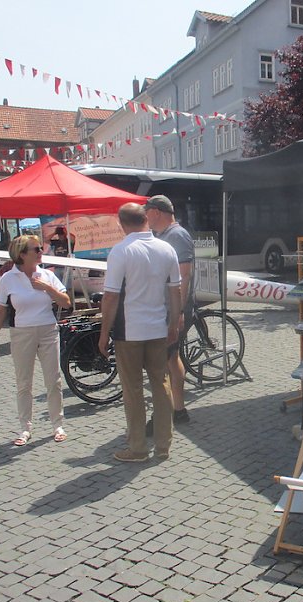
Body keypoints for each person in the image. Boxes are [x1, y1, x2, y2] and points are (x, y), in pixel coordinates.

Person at [98, 203, 182, 463]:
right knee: (161, 384)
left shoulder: (121, 251)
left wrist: (103, 333)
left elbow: (111, 297)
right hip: (158, 327)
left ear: (121, 223)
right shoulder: (167, 248)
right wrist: (174, 324)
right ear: (146, 219)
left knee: (132, 389)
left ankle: (137, 448)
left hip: (129, 329)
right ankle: (164, 444)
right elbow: (175, 290)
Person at [0, 235, 71, 446]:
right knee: (24, 382)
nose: (41, 252)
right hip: (22, 332)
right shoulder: (8, 278)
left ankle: (57, 424)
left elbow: (67, 303)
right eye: (37, 249)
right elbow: (0, 311)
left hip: (48, 330)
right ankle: (25, 428)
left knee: (54, 380)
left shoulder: (46, 275)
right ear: (22, 255)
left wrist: (47, 288)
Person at [145, 194, 194, 425]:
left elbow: (184, 276)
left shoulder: (177, 235)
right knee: (171, 359)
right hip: (166, 309)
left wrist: (178, 313)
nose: (146, 217)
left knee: (162, 362)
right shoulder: (164, 235)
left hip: (171, 311)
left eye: (148, 212)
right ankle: (179, 410)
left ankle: (162, 416)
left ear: (156, 211)